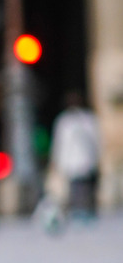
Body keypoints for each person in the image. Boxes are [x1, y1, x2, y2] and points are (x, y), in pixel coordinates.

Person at [50, 90, 101, 220]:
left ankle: (86, 210)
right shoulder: (64, 121)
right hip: (71, 161)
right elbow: (59, 143)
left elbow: (96, 140)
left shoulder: (88, 119)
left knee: (86, 187)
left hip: (85, 160)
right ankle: (78, 210)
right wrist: (57, 161)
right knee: (75, 188)